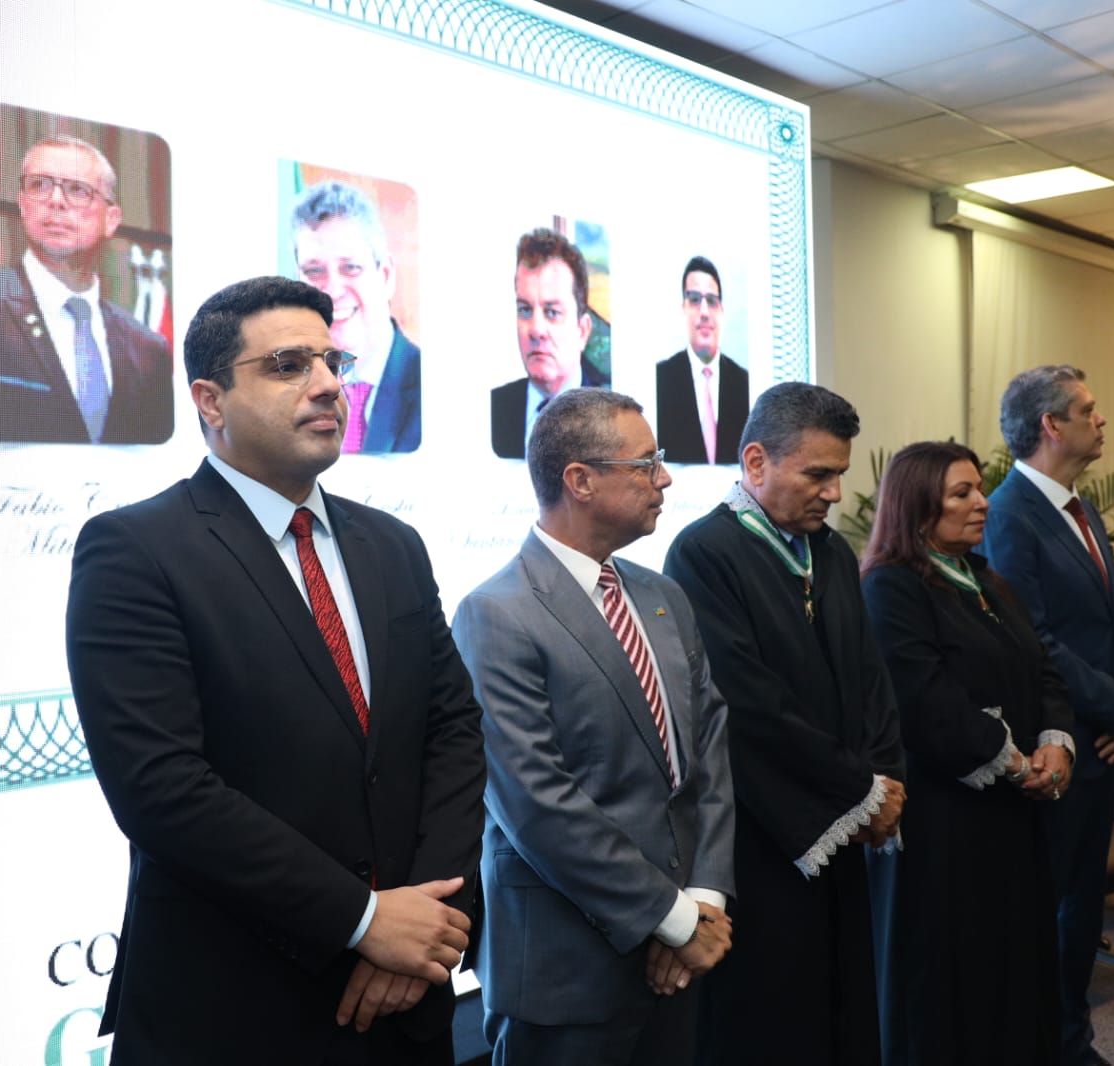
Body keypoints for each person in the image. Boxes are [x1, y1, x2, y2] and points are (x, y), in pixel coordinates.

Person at [65, 276, 485, 1063]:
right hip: (238, 1010)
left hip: (408, 1009)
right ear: (210, 401)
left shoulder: (393, 545)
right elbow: (162, 790)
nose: (328, 384)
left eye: (332, 361)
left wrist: (426, 924)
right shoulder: (135, 552)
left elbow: (454, 732)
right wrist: (363, 921)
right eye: (289, 365)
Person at [453, 389, 735, 1064]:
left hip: (681, 959)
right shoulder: (496, 613)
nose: (665, 479)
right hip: (565, 971)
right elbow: (537, 804)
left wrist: (703, 901)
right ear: (579, 480)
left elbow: (708, 752)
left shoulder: (662, 596)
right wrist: (673, 920)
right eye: (646, 464)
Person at [664, 382, 905, 1066]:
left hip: (847, 815)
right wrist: (859, 790)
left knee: (844, 1004)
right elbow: (748, 703)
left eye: (840, 475)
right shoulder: (704, 552)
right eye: (818, 474)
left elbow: (871, 679)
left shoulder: (830, 552)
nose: (834, 493)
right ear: (756, 461)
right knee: (775, 1013)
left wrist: (886, 778)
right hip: (767, 831)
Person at [860, 441, 1074, 1066]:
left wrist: (1055, 743)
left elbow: (1045, 670)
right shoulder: (890, 587)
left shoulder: (987, 579)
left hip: (1015, 814)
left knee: (1015, 965)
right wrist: (1018, 764)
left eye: (979, 489)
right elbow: (925, 701)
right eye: (963, 493)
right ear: (918, 506)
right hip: (944, 820)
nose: (983, 502)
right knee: (953, 978)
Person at [981, 365, 1114, 1066]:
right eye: (1088, 409)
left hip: (1103, 738)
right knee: (1051, 911)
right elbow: (1035, 639)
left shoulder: (1081, 508)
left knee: (1083, 907)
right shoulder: (1007, 514)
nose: (1101, 419)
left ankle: (1071, 1038)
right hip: (1060, 744)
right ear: (1051, 425)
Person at [0, 135, 173, 444]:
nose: (55, 200)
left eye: (77, 190)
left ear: (111, 219)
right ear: (23, 205)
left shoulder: (148, 348)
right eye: (40, 185)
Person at [292, 180, 421, 453]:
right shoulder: (286, 392)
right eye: (314, 271)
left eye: (350, 267)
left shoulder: (432, 384)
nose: (332, 291)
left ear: (385, 276)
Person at [492, 228, 600, 460]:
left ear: (582, 330)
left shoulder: (610, 416)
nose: (536, 330)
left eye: (552, 312)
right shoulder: (495, 408)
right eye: (525, 310)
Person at [655, 256, 748, 466]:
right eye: (695, 299)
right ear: (683, 309)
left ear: (722, 311)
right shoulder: (660, 379)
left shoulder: (744, 382)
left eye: (712, 301)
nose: (704, 312)